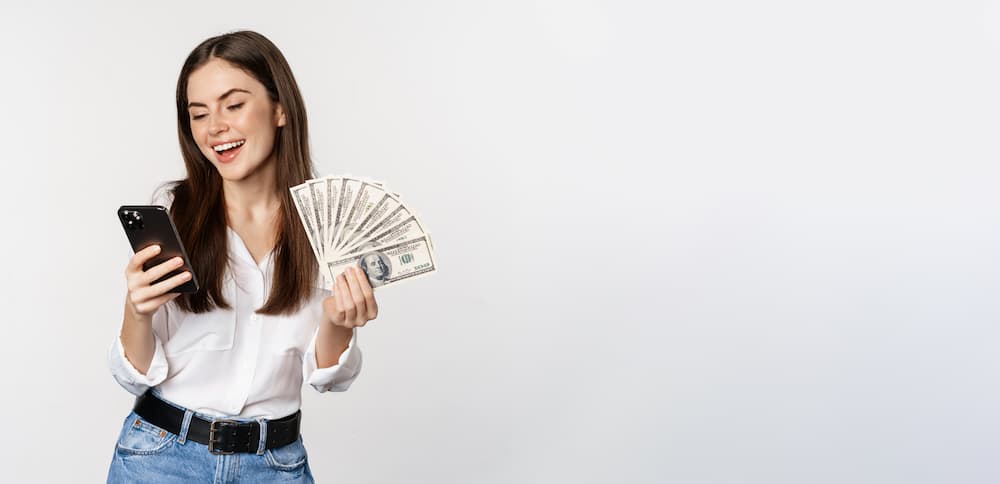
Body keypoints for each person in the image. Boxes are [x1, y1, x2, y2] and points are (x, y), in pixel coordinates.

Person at [106, 30, 378, 483]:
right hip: (160, 459)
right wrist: (136, 310)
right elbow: (134, 375)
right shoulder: (177, 218)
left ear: (279, 109)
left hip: (274, 465)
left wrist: (338, 321)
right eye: (199, 114)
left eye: (233, 106)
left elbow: (329, 377)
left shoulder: (326, 227)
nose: (214, 128)